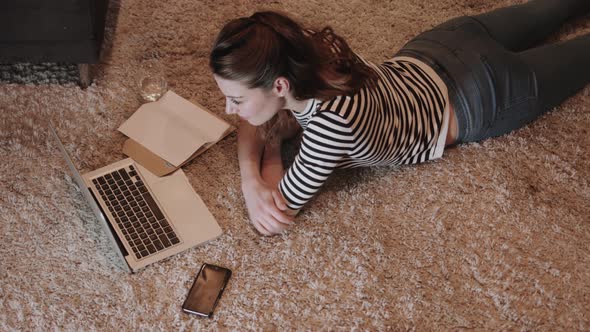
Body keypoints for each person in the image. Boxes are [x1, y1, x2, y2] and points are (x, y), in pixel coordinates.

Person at [209, 0, 590, 236]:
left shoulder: (330, 126)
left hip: (486, 94)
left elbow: (275, 213)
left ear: (279, 86)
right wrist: (256, 167)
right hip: (444, 43)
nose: (230, 110)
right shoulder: (308, 50)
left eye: (235, 99)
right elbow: (256, 118)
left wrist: (259, 175)